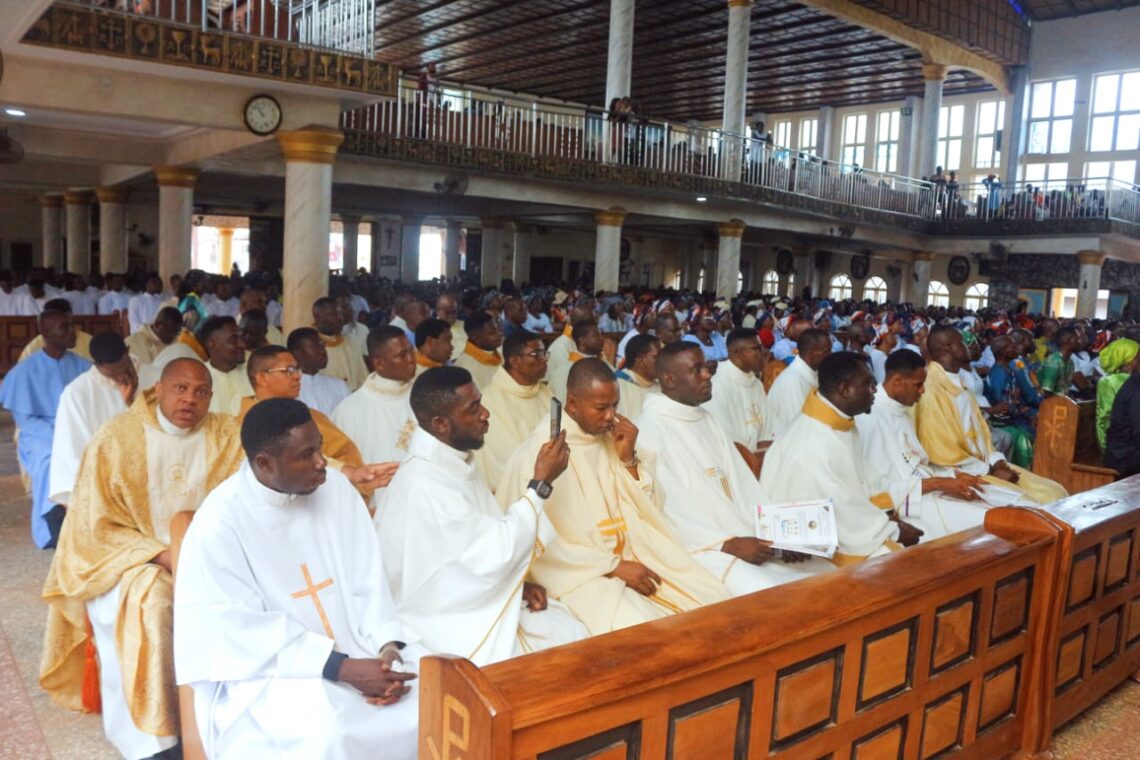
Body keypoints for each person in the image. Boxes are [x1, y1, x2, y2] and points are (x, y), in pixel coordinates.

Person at [174, 399, 422, 759]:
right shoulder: (220, 522)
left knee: (435, 692)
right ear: (264, 463)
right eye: (306, 455)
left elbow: (369, 582)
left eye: (319, 447)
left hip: (361, 645)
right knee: (327, 735)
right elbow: (236, 629)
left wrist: (387, 653)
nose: (322, 462)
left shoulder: (335, 489)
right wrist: (340, 668)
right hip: (270, 674)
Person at [40, 359, 244, 759]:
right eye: (180, 388)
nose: (190, 399)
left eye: (201, 392)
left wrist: (349, 473)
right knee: (155, 603)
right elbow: (92, 526)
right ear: (159, 389)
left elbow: (272, 465)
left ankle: (231, 716)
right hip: (132, 562)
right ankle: (160, 736)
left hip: (209, 556)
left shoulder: (226, 434)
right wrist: (159, 554)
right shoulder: (117, 438)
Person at [497, 359, 730, 635]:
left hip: (636, 553)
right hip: (582, 575)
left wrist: (629, 459)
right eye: (601, 408)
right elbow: (538, 545)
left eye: (615, 406)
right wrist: (614, 567)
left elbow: (651, 509)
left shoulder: (613, 441)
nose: (611, 417)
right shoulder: (538, 457)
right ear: (572, 405)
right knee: (648, 630)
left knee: (714, 598)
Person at [378, 367, 588, 665]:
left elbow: (478, 550)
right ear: (440, 424)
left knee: (571, 630)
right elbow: (493, 553)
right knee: (556, 652)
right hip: (444, 621)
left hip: (472, 598)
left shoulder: (453, 460)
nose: (486, 414)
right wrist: (540, 484)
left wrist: (516, 585)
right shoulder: (426, 485)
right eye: (473, 408)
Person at [638, 343, 831, 594]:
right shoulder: (649, 432)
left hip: (746, 536)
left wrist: (779, 536)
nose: (708, 375)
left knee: (824, 571)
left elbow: (744, 486)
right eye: (697, 371)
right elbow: (664, 514)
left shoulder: (706, 418)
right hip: (702, 550)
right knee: (770, 592)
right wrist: (728, 545)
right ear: (669, 379)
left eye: (706, 367)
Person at [761, 352, 924, 564]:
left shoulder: (840, 424)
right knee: (906, 564)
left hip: (851, 530)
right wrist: (893, 530)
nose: (875, 390)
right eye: (868, 384)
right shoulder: (814, 441)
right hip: (812, 550)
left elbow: (863, 482)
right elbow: (841, 510)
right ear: (845, 389)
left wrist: (889, 514)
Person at [916, 326, 1067, 505]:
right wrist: (989, 469)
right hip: (958, 473)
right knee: (1036, 506)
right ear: (947, 346)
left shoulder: (958, 382)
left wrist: (998, 462)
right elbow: (941, 453)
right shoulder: (932, 389)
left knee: (1056, 491)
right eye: (962, 342)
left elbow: (982, 436)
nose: (969, 345)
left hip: (983, 465)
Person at [855, 349, 991, 542]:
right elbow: (875, 489)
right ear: (897, 381)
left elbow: (916, 464)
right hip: (908, 507)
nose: (923, 391)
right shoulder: (868, 417)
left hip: (924, 492)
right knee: (986, 524)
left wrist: (953, 475)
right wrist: (938, 483)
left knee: (993, 505)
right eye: (918, 385)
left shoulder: (901, 409)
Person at [239, 345, 397, 503]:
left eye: (297, 369)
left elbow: (346, 455)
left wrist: (354, 475)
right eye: (289, 370)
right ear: (262, 378)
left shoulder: (313, 418)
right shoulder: (237, 430)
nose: (297, 376)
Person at [0, 308, 90, 547]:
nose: (73, 332)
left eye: (73, 325)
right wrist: (61, 437)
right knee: (50, 461)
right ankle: (52, 527)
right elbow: (27, 422)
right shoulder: (24, 372)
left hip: (79, 431)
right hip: (41, 436)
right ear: (46, 333)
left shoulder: (84, 366)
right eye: (66, 327)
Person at [48, 332, 138, 510]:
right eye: (113, 374)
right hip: (102, 486)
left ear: (127, 351)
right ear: (97, 365)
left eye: (123, 368)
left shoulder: (156, 377)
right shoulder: (76, 394)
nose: (121, 377)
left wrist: (132, 402)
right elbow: (72, 455)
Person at [332, 326, 417, 508]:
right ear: (379, 363)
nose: (411, 359)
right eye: (402, 355)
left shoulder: (424, 397)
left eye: (411, 350)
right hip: (378, 510)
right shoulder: (349, 411)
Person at [472, 330, 552, 490]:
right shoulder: (490, 401)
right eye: (536, 354)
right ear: (515, 361)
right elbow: (506, 461)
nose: (544, 360)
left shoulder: (545, 392)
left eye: (544, 353)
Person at [704, 328, 770, 470]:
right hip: (736, 466)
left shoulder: (756, 384)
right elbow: (725, 443)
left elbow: (768, 432)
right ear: (739, 353)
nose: (762, 353)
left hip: (760, 461)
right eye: (756, 349)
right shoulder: (717, 388)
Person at [767, 328, 833, 438]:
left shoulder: (814, 373)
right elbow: (797, 430)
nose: (831, 355)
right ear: (811, 354)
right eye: (827, 351)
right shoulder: (792, 382)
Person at [290, 326, 351, 416]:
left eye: (322, 346)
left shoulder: (339, 386)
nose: (322, 351)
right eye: (315, 347)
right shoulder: (288, 390)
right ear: (298, 354)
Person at [198, 315, 252, 416]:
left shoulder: (254, 373)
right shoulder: (199, 377)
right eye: (233, 340)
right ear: (212, 344)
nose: (242, 344)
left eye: (241, 338)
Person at [314, 296, 369, 391]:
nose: (340, 318)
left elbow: (363, 381)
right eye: (333, 314)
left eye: (340, 313)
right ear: (318, 317)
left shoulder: (351, 345)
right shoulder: (311, 347)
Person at [1097, 338, 1140, 451]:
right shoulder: (1109, 382)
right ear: (1127, 359)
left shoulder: (1135, 379)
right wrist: (1105, 446)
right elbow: (1105, 416)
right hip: (1121, 444)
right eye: (1137, 356)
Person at [550, 321, 605, 401]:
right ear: (582, 341)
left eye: (601, 334)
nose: (601, 338)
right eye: (596, 335)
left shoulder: (602, 361)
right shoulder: (565, 372)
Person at [454, 310, 504, 390]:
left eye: (498, 328)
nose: (500, 333)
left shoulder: (501, 349)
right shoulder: (466, 368)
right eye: (492, 332)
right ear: (476, 337)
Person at [615, 333, 661, 419]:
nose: (663, 361)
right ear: (641, 360)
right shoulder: (617, 386)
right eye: (657, 356)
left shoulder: (662, 385)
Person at [1039, 325, 1080, 396]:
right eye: (1077, 339)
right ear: (1068, 340)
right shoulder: (1054, 362)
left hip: (1061, 402)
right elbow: (1046, 393)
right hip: (1050, 404)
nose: (1080, 341)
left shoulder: (1070, 362)